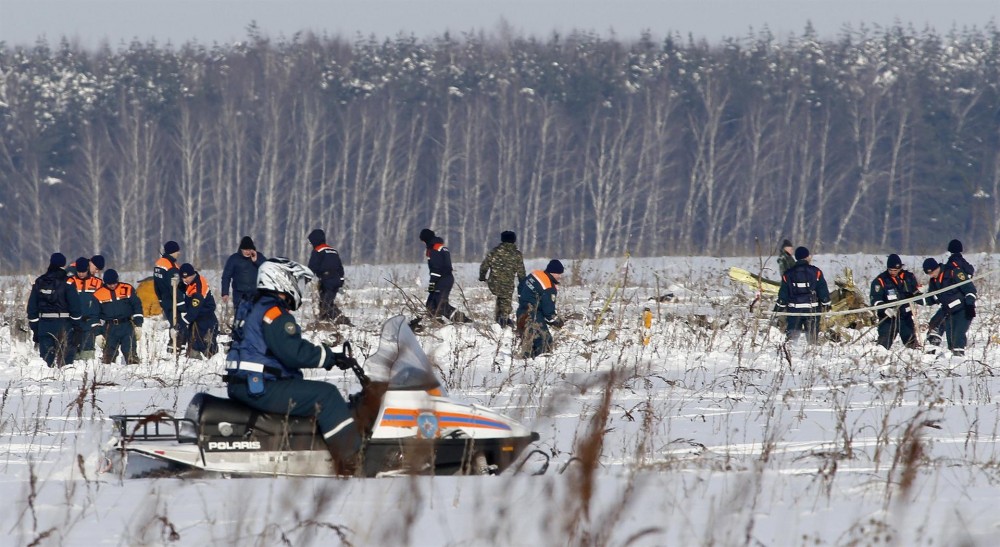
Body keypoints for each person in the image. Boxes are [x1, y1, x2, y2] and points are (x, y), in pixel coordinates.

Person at [224, 258, 385, 475]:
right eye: (296, 281)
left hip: (248, 383)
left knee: (310, 392)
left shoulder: (254, 305)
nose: (299, 288)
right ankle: (353, 461)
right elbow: (293, 352)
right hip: (260, 386)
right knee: (326, 395)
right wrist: (330, 357)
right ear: (281, 279)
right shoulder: (274, 313)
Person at [26, 253, 83, 367]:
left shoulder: (39, 281)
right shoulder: (69, 282)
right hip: (64, 323)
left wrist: (35, 328)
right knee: (66, 361)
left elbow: (32, 307)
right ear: (63, 264)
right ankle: (66, 382)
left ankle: (47, 381)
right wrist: (77, 326)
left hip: (44, 324)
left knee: (46, 360)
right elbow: (75, 307)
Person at [920, 257, 976, 356]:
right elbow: (931, 298)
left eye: (933, 272)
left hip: (963, 309)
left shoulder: (954, 272)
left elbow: (970, 289)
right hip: (948, 311)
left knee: (958, 337)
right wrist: (915, 298)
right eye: (929, 274)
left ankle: (959, 358)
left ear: (937, 267)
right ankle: (947, 358)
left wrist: (970, 305)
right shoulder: (933, 281)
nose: (932, 275)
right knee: (950, 340)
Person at [775, 246, 832, 344]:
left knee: (792, 339)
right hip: (812, 310)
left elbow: (783, 295)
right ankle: (812, 354)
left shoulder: (787, 274)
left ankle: (791, 354)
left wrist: (777, 309)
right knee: (812, 338)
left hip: (794, 311)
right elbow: (822, 290)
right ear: (806, 257)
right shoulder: (816, 272)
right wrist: (826, 304)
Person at [869, 254, 921, 350]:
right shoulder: (880, 280)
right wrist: (885, 309)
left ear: (900, 268)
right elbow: (875, 299)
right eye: (891, 270)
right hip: (888, 318)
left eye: (895, 270)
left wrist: (918, 295)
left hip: (905, 317)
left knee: (912, 346)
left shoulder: (909, 277)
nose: (893, 272)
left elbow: (917, 293)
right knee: (882, 347)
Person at [92, 269, 144, 364]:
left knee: (131, 354)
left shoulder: (127, 288)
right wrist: (97, 333)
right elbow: (94, 315)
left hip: (126, 326)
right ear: (105, 282)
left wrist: (138, 324)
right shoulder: (98, 294)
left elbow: (137, 306)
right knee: (108, 357)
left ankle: (134, 373)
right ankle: (107, 375)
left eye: (114, 283)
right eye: (109, 284)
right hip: (109, 328)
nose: (112, 286)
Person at [516, 259, 565, 358]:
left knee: (529, 341)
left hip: (521, 311)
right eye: (558, 274)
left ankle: (525, 362)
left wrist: (523, 300)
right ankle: (540, 365)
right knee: (545, 340)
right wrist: (556, 321)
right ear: (553, 272)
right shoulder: (548, 286)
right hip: (532, 315)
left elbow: (521, 286)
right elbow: (548, 311)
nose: (560, 276)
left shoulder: (535, 274)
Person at [419, 228, 468, 322]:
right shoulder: (440, 247)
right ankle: (437, 323)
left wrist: (432, 283)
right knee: (431, 304)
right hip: (445, 278)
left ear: (426, 239)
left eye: (423, 241)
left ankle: (463, 320)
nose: (423, 244)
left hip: (442, 279)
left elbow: (436, 268)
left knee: (441, 305)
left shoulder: (434, 249)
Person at [479, 230, 527, 327]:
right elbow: (521, 271)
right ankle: (503, 320)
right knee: (505, 301)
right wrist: (523, 283)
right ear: (514, 240)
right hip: (507, 285)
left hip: (493, 283)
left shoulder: (494, 251)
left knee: (500, 298)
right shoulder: (517, 254)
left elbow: (484, 266)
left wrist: (482, 277)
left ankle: (499, 319)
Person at [178, 263, 219, 358]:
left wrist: (183, 322)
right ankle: (194, 357)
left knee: (207, 341)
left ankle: (212, 361)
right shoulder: (190, 281)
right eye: (183, 278)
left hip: (206, 317)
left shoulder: (198, 289)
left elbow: (194, 310)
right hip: (197, 317)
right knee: (193, 340)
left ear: (192, 275)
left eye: (186, 278)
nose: (184, 280)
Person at [307, 228, 348, 324]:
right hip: (336, 279)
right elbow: (340, 266)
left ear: (315, 240)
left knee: (325, 303)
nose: (311, 244)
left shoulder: (317, 251)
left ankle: (339, 320)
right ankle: (330, 319)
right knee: (328, 301)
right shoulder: (333, 250)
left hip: (326, 279)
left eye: (311, 242)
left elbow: (312, 266)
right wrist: (341, 280)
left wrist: (307, 277)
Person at [67, 256, 104, 360]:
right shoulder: (69, 277)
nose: (96, 272)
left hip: (88, 321)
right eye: (96, 269)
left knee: (87, 350)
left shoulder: (97, 282)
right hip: (72, 321)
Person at [221, 236, 266, 314]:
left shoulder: (259, 257)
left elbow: (267, 269)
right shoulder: (233, 259)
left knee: (255, 318)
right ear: (241, 249)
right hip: (239, 295)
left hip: (256, 294)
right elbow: (226, 277)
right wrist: (225, 293)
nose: (247, 252)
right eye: (245, 250)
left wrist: (256, 261)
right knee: (240, 318)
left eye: (249, 250)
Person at [153, 240, 184, 329]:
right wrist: (181, 305)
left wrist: (160, 300)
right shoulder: (171, 267)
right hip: (173, 302)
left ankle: (173, 341)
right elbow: (174, 287)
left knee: (173, 326)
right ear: (172, 252)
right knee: (179, 328)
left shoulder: (159, 263)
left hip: (165, 301)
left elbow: (156, 285)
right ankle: (177, 342)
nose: (179, 253)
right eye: (177, 251)